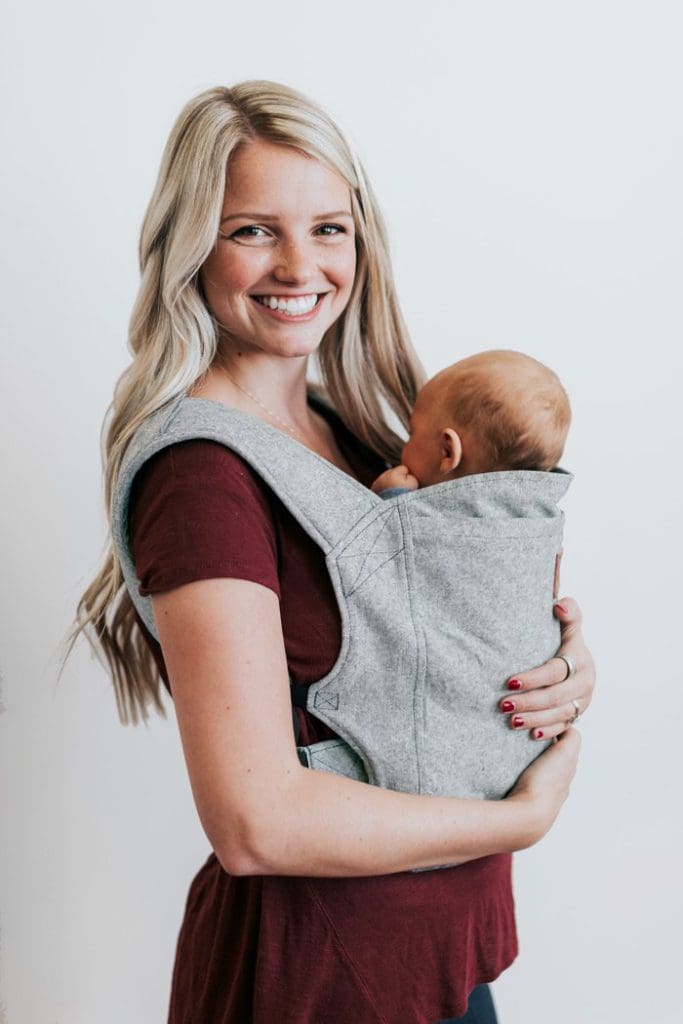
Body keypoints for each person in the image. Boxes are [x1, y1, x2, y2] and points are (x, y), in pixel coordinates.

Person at [73, 82, 594, 1024]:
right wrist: (518, 819)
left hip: (435, 956)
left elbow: (436, 648)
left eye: (328, 228)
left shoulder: (364, 440)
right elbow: (255, 822)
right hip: (319, 981)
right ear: (189, 243)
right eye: (251, 231)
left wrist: (554, 670)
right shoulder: (202, 476)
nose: (298, 264)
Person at [370, 349, 571, 497]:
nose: (405, 442)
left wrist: (389, 497)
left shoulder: (425, 521)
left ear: (447, 452)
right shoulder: (533, 524)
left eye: (412, 432)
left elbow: (387, 546)